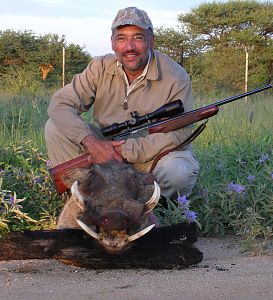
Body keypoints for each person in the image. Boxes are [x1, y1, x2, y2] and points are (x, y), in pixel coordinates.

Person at [45, 6, 199, 199]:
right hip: (104, 152)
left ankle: (153, 212)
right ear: (112, 43)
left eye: (138, 37)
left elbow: (180, 133)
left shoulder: (175, 76)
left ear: (152, 40)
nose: (129, 47)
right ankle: (83, 203)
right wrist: (93, 144)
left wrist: (125, 151)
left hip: (151, 155)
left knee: (178, 171)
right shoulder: (99, 67)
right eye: (121, 38)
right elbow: (60, 104)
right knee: (55, 128)